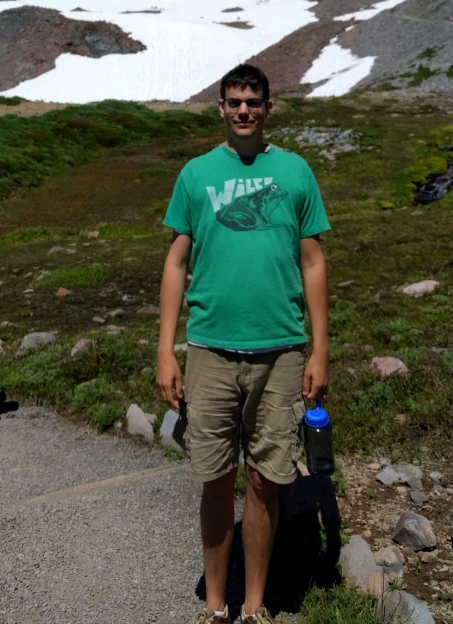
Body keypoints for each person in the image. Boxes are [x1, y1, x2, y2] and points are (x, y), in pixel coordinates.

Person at [156, 64, 330, 624]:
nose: (244, 110)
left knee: (263, 479)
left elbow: (313, 261)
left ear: (268, 108)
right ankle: (215, 605)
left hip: (282, 352)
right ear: (221, 108)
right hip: (209, 350)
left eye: (253, 102)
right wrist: (165, 348)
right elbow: (176, 262)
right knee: (215, 480)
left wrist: (320, 349)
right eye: (234, 102)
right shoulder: (196, 174)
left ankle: (254, 606)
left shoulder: (296, 171)